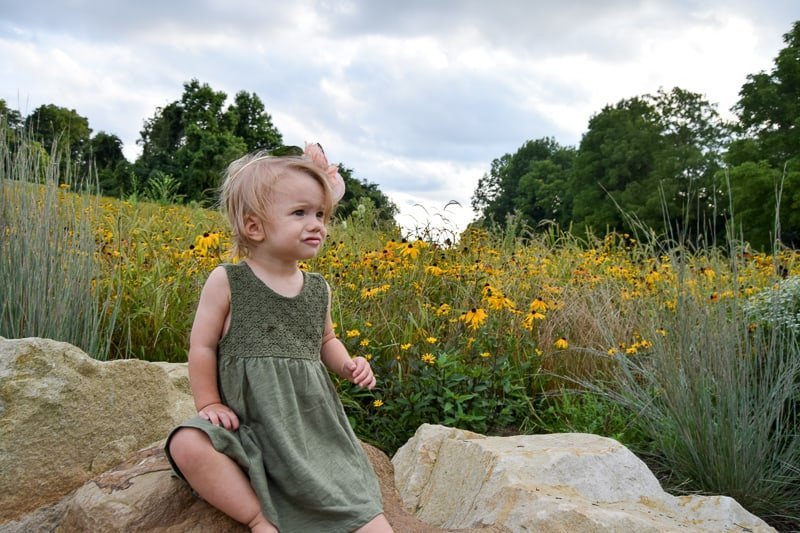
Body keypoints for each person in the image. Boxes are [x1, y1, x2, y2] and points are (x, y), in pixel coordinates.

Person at [165, 143, 392, 533]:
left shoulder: (317, 288)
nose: (317, 224)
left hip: (306, 428)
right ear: (254, 226)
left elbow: (325, 341)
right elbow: (201, 346)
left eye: (321, 214)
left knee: (357, 504)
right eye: (300, 213)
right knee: (185, 443)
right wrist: (209, 402)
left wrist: (348, 364)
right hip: (246, 424)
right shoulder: (229, 281)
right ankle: (258, 517)